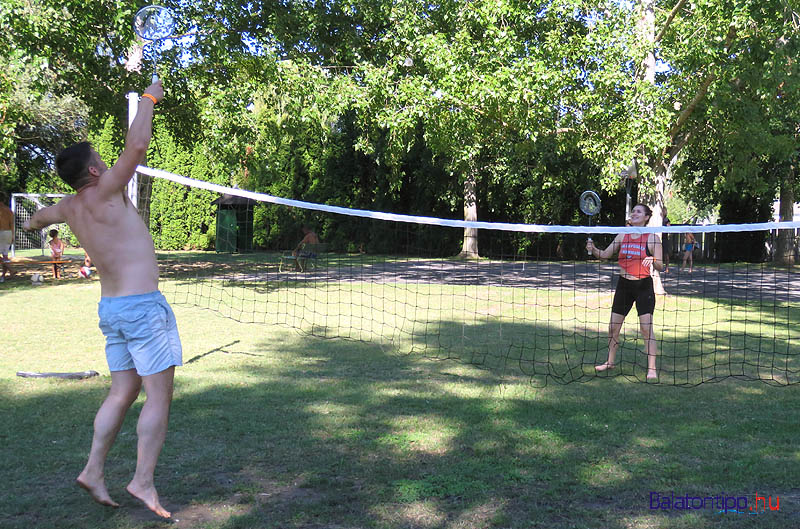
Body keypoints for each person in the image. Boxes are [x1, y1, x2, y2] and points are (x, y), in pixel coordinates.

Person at [23, 81, 178, 519]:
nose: (107, 164)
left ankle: (93, 469)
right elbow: (138, 144)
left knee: (123, 390)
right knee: (159, 398)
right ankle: (142, 480)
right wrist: (149, 99)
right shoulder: (108, 189)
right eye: (101, 162)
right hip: (142, 307)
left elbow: (36, 219)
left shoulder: (69, 207)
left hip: (111, 310)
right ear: (94, 172)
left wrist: (35, 223)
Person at [586, 204, 664, 381]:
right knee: (613, 327)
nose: (634, 213)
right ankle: (610, 362)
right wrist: (593, 249)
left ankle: (652, 368)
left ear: (646, 217)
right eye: (633, 211)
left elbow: (660, 266)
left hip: (643, 286)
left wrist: (652, 259)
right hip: (624, 286)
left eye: (638, 211)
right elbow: (605, 255)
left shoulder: (652, 239)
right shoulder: (622, 235)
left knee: (646, 329)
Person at [0, 199, 15, 282]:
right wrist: (12, 235)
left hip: (1, 233)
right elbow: (12, 224)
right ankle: (3, 276)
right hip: (9, 233)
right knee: (5, 256)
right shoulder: (9, 211)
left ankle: (11, 269)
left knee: (4, 257)